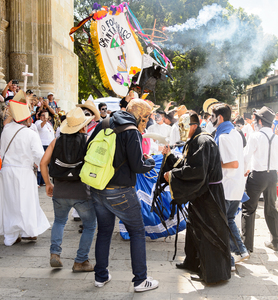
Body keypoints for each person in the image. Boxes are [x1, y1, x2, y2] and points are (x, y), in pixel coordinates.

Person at [88, 99, 159, 292]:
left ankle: (100, 276)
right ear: (140, 116)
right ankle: (140, 280)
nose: (145, 122)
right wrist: (150, 162)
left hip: (98, 186)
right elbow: (138, 166)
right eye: (145, 118)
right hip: (121, 191)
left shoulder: (104, 122)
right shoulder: (132, 131)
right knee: (137, 231)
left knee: (104, 231)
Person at [162, 111, 231, 284]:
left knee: (208, 232)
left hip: (209, 196)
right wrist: (170, 157)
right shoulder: (195, 140)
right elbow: (187, 164)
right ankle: (192, 262)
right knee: (194, 228)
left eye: (183, 126)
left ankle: (213, 274)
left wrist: (172, 175)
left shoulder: (203, 141)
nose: (181, 130)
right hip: (202, 193)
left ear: (193, 125)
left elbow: (197, 171)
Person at [0, 90, 50, 246]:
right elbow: (40, 158)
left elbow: (7, 122)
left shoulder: (6, 131)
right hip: (23, 172)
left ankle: (11, 234)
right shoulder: (30, 134)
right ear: (27, 117)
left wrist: (15, 107)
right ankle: (28, 231)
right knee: (25, 202)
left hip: (7, 172)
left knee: (10, 203)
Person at [40, 107, 97, 271]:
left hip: (60, 191)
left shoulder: (56, 141)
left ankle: (55, 253)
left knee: (59, 221)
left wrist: (48, 184)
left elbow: (43, 163)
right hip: (82, 192)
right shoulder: (87, 142)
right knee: (90, 225)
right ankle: (80, 261)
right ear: (83, 126)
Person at [242, 106, 278, 252]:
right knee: (271, 208)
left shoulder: (255, 136)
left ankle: (247, 246)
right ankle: (275, 241)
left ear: (260, 121)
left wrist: (245, 171)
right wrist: (272, 170)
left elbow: (245, 157)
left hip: (257, 176)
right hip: (272, 176)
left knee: (249, 210)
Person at [211, 104, 250, 268]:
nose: (211, 119)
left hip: (227, 187)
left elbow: (233, 163)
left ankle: (230, 261)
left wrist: (212, 164)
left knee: (222, 223)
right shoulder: (235, 133)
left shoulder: (225, 136)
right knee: (229, 220)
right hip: (236, 186)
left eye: (212, 116)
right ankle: (241, 251)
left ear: (219, 117)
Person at [35, 110, 55, 186]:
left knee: (47, 164)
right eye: (43, 115)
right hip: (42, 145)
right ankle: (38, 181)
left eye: (45, 115)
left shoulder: (48, 124)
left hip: (49, 145)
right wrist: (44, 120)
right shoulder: (38, 122)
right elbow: (40, 127)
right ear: (40, 116)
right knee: (42, 163)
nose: (44, 117)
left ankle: (44, 181)